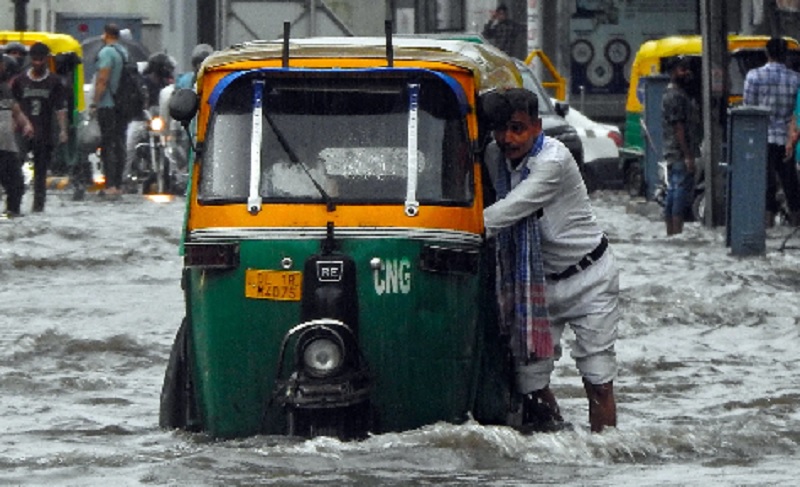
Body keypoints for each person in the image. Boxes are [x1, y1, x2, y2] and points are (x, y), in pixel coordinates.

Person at [482, 88, 619, 433]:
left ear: (537, 127)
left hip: (590, 278)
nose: (508, 138)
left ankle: (603, 454)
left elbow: (504, 212)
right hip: (535, 282)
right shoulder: (492, 156)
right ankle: (563, 440)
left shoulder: (553, 162)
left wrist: (446, 230)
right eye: (501, 129)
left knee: (598, 381)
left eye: (518, 128)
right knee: (531, 385)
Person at [743, 37, 800, 227]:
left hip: (762, 139)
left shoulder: (753, 76)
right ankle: (795, 228)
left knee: (766, 186)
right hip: (787, 142)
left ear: (767, 53)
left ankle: (765, 230)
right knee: (791, 186)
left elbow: (748, 109)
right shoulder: (795, 78)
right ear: (785, 55)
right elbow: (796, 113)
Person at [11, 42, 68, 213]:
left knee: (41, 171)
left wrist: (63, 130)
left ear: (46, 60)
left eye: (41, 60)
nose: (37, 63)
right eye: (34, 60)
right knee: (15, 163)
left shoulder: (54, 82)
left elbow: (60, 108)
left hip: (44, 131)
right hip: (21, 131)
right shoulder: (20, 80)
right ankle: (14, 202)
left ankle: (38, 207)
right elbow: (12, 104)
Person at [123, 52, 176, 190]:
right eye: (165, 67)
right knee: (130, 144)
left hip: (161, 121)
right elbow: (139, 101)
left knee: (175, 142)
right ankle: (124, 176)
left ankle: (177, 173)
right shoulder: (142, 82)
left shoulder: (167, 85)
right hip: (142, 120)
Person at [661, 56, 701, 235]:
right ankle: (676, 231)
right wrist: (688, 156)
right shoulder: (676, 96)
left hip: (673, 151)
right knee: (678, 191)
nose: (686, 73)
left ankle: (672, 232)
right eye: (682, 70)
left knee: (673, 189)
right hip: (679, 152)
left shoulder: (674, 94)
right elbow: (679, 128)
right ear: (672, 73)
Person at [92, 23, 128, 197]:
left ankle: (110, 185)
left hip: (108, 104)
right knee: (120, 143)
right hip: (122, 104)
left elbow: (103, 80)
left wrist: (94, 102)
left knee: (107, 144)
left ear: (106, 34)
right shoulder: (123, 52)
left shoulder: (106, 52)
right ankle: (119, 184)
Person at [0, 54, 34, 218]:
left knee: (17, 185)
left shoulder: (5, 88)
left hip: (7, 146)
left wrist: (25, 124)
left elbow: (16, 110)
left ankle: (12, 214)